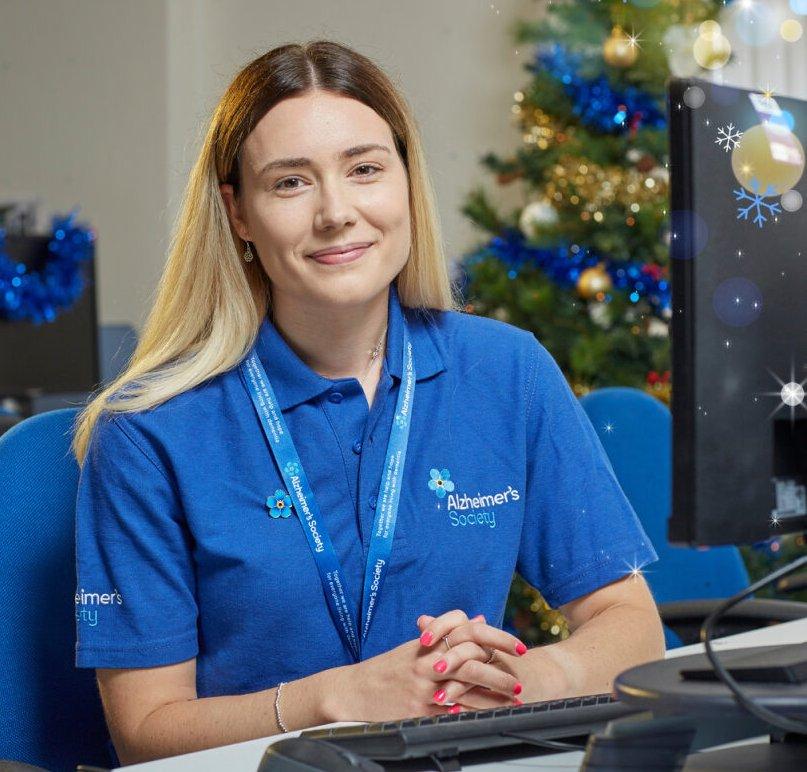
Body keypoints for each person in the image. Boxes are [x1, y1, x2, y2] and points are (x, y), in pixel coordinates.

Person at [72, 40, 663, 766]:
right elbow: (145, 730)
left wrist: (527, 678)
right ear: (238, 213)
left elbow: (627, 621)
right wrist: (335, 701)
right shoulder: (146, 430)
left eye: (364, 170)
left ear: (406, 182)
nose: (336, 212)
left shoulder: (506, 371)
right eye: (290, 183)